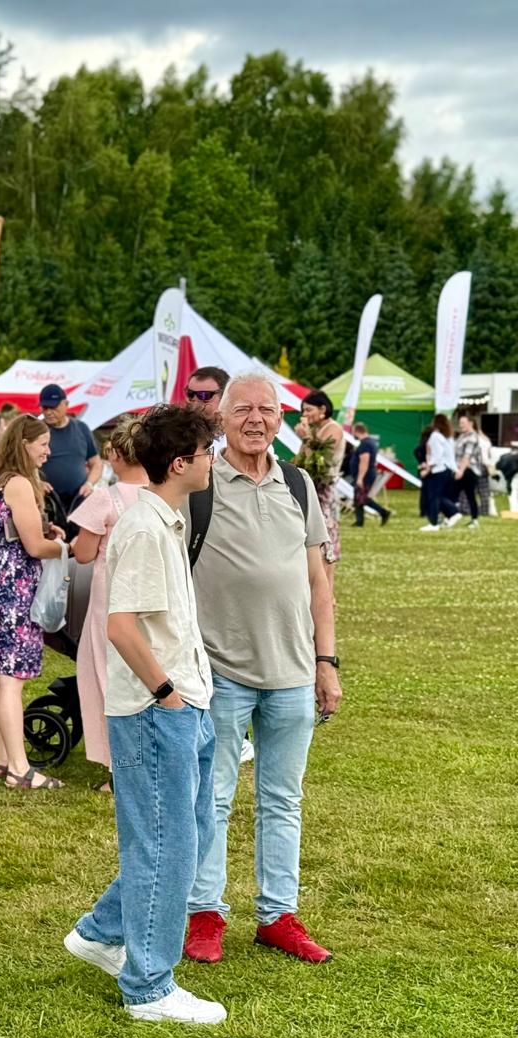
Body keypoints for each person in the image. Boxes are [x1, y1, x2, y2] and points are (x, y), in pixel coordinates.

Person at [63, 403, 225, 1026]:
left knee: (190, 834)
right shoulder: (143, 527)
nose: (213, 461)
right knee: (165, 845)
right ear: (180, 463)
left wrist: (190, 693)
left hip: (187, 700)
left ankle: (103, 932)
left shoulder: (163, 519)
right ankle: (149, 986)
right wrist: (166, 693)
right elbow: (121, 625)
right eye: (207, 452)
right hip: (161, 708)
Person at [183, 374, 341, 967]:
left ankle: (278, 915)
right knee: (214, 797)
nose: (255, 419)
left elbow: (318, 585)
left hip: (295, 672)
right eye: (242, 409)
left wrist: (326, 663)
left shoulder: (298, 485)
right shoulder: (199, 485)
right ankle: (205, 914)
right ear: (221, 419)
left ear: (282, 419)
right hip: (220, 672)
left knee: (283, 799)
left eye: (267, 410)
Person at [0, 415, 67, 788]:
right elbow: (34, 547)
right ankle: (20, 770)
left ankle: (0, 760)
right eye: (43, 444)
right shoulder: (21, 483)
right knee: (11, 680)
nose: (48, 451)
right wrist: (68, 547)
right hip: (13, 586)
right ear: (25, 444)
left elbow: (13, 531)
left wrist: (44, 530)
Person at [69, 415, 148, 790]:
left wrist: (69, 543)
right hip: (149, 595)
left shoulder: (106, 497)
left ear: (114, 454)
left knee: (104, 676)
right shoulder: (161, 495)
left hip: (110, 599)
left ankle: (121, 766)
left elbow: (83, 554)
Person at [294, 390, 345, 585]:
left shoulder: (334, 428)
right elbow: (301, 460)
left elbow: (320, 460)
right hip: (311, 488)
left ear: (322, 409)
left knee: (325, 538)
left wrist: (307, 438)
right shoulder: (314, 431)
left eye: (308, 410)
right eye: (303, 410)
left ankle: (327, 590)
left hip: (325, 489)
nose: (304, 415)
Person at [38, 383, 101, 522]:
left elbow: (96, 463)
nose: (48, 412)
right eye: (44, 407)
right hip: (47, 502)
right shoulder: (37, 430)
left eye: (53, 407)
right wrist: (36, 483)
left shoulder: (81, 428)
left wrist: (89, 484)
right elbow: (22, 465)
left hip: (78, 501)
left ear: (65, 404)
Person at [418, 413, 462, 531]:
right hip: (447, 470)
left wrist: (428, 467)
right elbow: (450, 456)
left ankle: (434, 523)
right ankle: (452, 512)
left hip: (438, 470)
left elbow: (437, 455)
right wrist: (455, 469)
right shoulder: (449, 437)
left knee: (433, 496)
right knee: (438, 496)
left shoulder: (435, 436)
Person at [349, 422, 390, 526]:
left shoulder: (365, 444)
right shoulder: (370, 442)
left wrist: (360, 478)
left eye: (353, 431)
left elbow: (364, 461)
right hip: (367, 474)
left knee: (363, 498)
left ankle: (383, 512)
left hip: (365, 475)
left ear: (357, 431)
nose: (353, 434)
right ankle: (359, 521)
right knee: (359, 498)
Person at [453, 412, 486, 528]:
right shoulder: (462, 436)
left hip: (469, 470)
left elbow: (467, 456)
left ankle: (473, 519)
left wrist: (460, 471)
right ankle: (453, 515)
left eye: (463, 423)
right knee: (455, 494)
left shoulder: (472, 437)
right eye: (460, 423)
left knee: (469, 495)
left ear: (471, 423)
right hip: (460, 468)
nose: (460, 425)